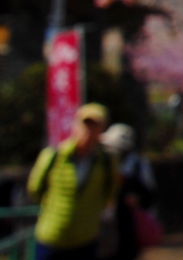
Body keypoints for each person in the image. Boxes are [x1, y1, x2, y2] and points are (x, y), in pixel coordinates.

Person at [27, 104, 119, 260]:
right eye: (85, 124)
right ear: (76, 126)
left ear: (101, 130)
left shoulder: (106, 161)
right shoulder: (54, 156)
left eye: (95, 126)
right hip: (52, 237)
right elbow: (35, 189)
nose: (88, 131)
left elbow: (110, 191)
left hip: (86, 239)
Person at [99, 125, 157, 260]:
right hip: (103, 226)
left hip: (127, 229)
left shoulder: (138, 165)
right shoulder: (101, 164)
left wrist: (137, 200)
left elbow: (150, 195)